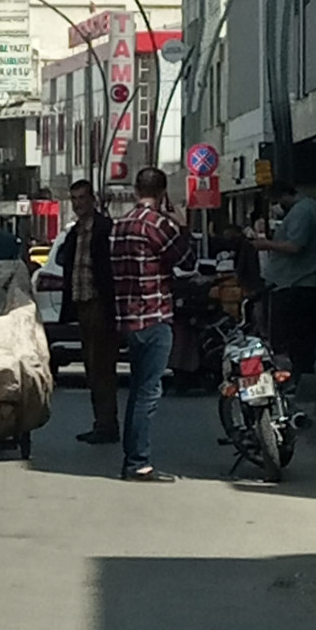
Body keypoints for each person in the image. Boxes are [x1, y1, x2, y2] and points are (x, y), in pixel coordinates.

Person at [110, 168, 196, 482]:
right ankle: (138, 462)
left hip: (128, 318)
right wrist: (183, 225)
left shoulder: (120, 226)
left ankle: (131, 456)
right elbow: (187, 261)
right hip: (155, 315)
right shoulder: (158, 224)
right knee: (149, 390)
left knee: (137, 388)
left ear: (135, 188)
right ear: (163, 194)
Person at [58, 180, 118, 444]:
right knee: (92, 367)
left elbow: (109, 268)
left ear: (92, 199)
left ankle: (106, 425)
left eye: (82, 198)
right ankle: (101, 422)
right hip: (81, 304)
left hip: (99, 304)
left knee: (101, 367)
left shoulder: (105, 228)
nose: (78, 203)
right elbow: (63, 260)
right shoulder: (75, 232)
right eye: (74, 199)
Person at [253, 182, 316, 384]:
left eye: (276, 201)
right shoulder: (309, 209)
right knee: (303, 336)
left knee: (298, 335)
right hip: (302, 281)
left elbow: (295, 246)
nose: (276, 206)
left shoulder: (302, 212)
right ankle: (303, 378)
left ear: (283, 195)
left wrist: (266, 244)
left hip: (298, 282)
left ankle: (302, 379)